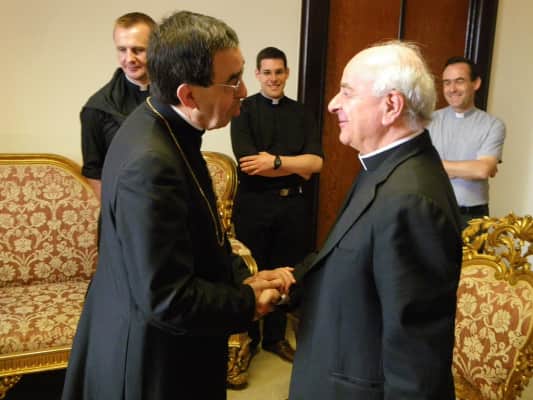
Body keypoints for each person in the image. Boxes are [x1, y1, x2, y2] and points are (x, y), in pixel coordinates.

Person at [61, 11, 294, 400]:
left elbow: (198, 236)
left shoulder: (163, 124)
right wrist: (247, 301)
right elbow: (167, 297)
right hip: (152, 358)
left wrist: (243, 279)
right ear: (188, 95)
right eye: (233, 80)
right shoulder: (151, 163)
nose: (243, 91)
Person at [288, 41, 463, 400]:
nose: (333, 104)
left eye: (347, 92)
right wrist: (289, 282)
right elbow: (354, 259)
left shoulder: (411, 199)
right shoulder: (383, 167)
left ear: (391, 106)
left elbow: (416, 360)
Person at [230, 46, 323, 362]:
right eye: (267, 72)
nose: (273, 78)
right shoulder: (243, 109)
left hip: (292, 206)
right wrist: (297, 165)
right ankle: (250, 339)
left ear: (287, 73)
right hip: (253, 204)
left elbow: (316, 164)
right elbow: (249, 164)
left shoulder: (302, 113)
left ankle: (275, 338)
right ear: (257, 74)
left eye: (279, 72)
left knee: (287, 272)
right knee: (253, 270)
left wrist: (274, 161)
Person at [80, 12, 156, 200]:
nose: (129, 59)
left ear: (156, 48)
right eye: (122, 50)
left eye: (138, 50)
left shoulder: (178, 96)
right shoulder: (96, 108)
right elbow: (93, 171)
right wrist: (116, 211)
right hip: (124, 209)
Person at [428, 56, 506, 228]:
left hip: (473, 216)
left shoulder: (493, 125)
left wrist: (436, 166)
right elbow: (419, 166)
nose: (452, 89)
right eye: (447, 83)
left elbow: (482, 170)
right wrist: (468, 168)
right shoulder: (428, 121)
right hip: (433, 212)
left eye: (459, 81)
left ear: (476, 83)